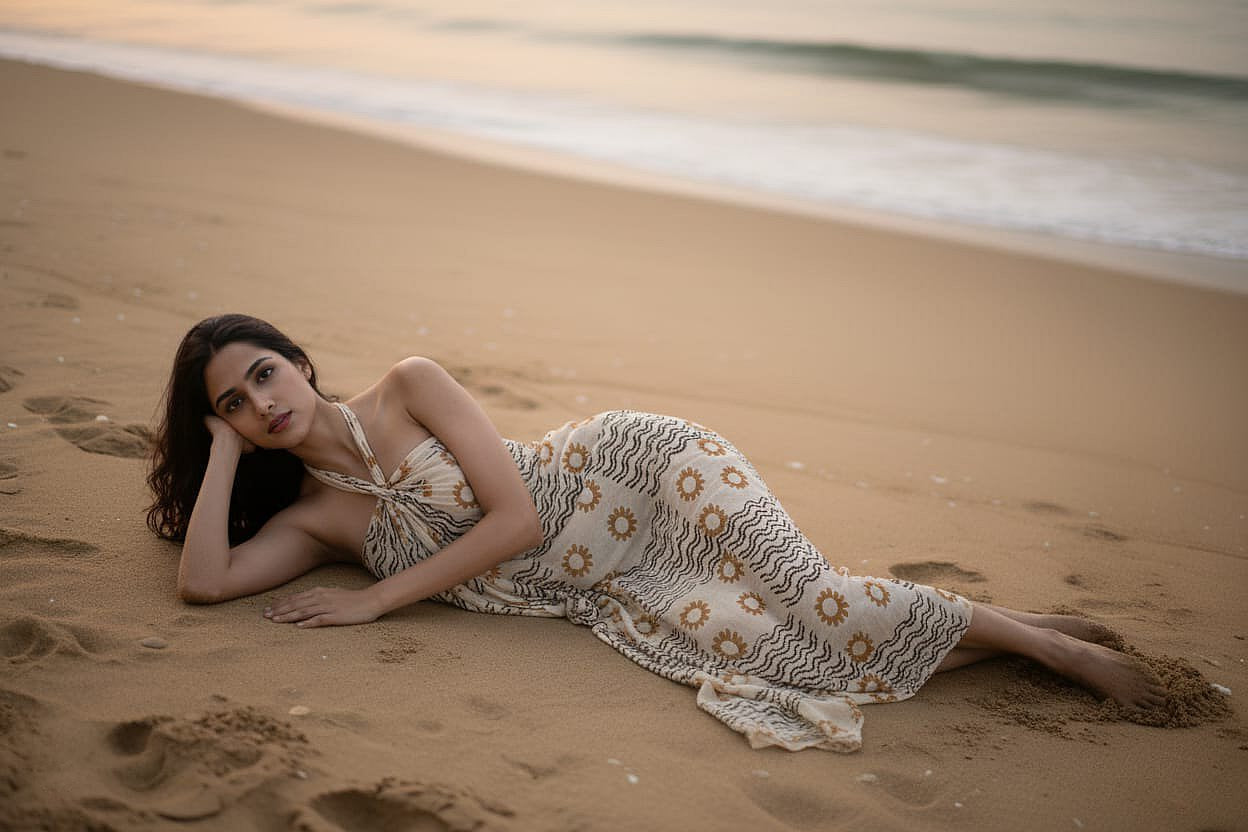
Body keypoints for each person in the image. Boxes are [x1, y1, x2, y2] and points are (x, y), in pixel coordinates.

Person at [147, 314, 1166, 751]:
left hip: (638, 472)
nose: (259, 402)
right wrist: (219, 455)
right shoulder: (317, 516)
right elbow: (205, 582)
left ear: (300, 360)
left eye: (263, 373)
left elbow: (518, 517)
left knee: (810, 599)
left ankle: (1051, 646)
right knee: (780, 648)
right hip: (610, 587)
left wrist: (375, 597)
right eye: (233, 403)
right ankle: (1012, 619)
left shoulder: (409, 386)